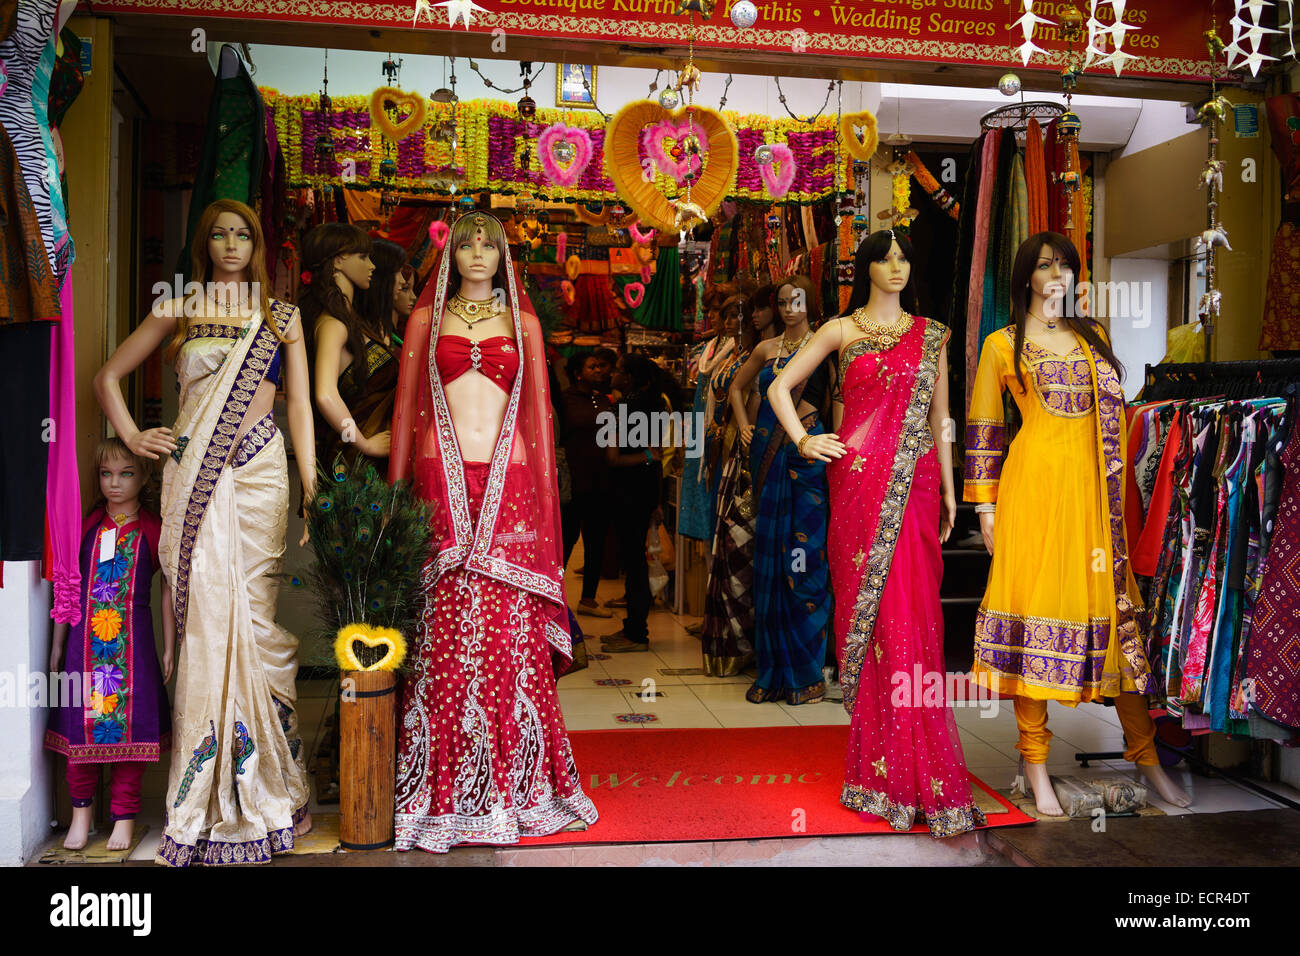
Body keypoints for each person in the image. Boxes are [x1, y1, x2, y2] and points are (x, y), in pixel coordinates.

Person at [93, 198, 315, 866]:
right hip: (197, 477)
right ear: (203, 244)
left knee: (259, 622)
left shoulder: (281, 316)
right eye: (217, 234)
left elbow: (300, 401)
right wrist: (134, 436)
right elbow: (108, 376)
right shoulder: (182, 306)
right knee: (203, 624)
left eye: (242, 233)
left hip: (262, 477)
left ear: (258, 243)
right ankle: (202, 795)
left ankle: (273, 785)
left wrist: (311, 476)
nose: (229, 244)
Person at [388, 210, 597, 851]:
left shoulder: (524, 323)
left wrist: (537, 500)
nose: (478, 253)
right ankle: (440, 789)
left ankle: (520, 784)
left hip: (509, 483)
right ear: (449, 255)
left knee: (508, 633)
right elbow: (406, 411)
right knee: (443, 628)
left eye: (490, 244)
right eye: (467, 243)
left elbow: (537, 412)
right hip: (438, 482)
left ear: (503, 254)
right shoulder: (425, 320)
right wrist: (401, 498)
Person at [965, 231, 1192, 814]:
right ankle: (1036, 765)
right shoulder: (1002, 345)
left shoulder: (1094, 338)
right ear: (1026, 278)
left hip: (1094, 499)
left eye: (1066, 265)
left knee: (1116, 623)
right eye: (1046, 266)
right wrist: (985, 508)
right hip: (1034, 492)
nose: (1058, 275)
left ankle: (1147, 761)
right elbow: (987, 429)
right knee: (1033, 617)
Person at [768, 229, 985, 837]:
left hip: (914, 488)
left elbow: (943, 419)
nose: (896, 266)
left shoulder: (933, 335)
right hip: (858, 490)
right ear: (865, 267)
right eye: (884, 258)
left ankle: (915, 770)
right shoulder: (840, 330)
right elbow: (779, 386)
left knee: (916, 621)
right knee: (881, 621)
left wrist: (949, 489)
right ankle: (879, 772)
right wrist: (805, 440)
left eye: (904, 257)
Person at [46, 438, 173, 852]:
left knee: (131, 730)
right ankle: (81, 814)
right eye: (106, 474)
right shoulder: (87, 526)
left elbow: (169, 590)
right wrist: (56, 644)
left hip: (132, 648)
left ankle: (124, 817)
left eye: (126, 474)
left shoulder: (154, 529)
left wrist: (170, 647)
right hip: (85, 644)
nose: (114, 484)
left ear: (144, 476)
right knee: (81, 730)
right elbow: (68, 584)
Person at [728, 275, 834, 704]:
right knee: (771, 556)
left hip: (809, 457)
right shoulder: (766, 349)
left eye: (799, 300)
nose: (791, 308)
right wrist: (743, 425)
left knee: (805, 560)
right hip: (769, 457)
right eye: (784, 301)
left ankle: (806, 672)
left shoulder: (827, 345)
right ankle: (772, 670)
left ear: (811, 303)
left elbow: (838, 400)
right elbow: (735, 387)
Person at [698, 285, 773, 675]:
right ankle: (732, 639)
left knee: (745, 540)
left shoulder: (766, 352)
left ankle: (754, 640)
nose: (734, 322)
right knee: (727, 538)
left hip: (760, 452)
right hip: (729, 450)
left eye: (742, 313)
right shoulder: (737, 357)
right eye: (729, 315)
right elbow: (730, 394)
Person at [300, 224, 391, 477]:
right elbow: (325, 396)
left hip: (368, 464)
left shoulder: (351, 320)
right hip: (355, 468)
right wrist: (363, 443)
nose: (371, 266)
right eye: (363, 257)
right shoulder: (333, 325)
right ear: (338, 261)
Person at [598, 352, 666, 652]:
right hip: (647, 491)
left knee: (634, 563)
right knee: (638, 560)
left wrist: (645, 455)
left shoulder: (618, 410)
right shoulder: (656, 404)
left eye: (617, 370)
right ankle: (634, 627)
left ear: (627, 378)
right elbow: (659, 455)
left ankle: (636, 633)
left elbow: (612, 458)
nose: (612, 374)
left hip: (625, 492)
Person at [560, 350, 615, 619]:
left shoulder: (606, 400)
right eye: (592, 367)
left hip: (601, 481)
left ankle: (589, 599)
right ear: (578, 372)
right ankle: (555, 596)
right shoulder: (564, 400)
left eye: (601, 367)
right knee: (566, 540)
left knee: (596, 542)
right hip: (572, 481)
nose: (599, 371)